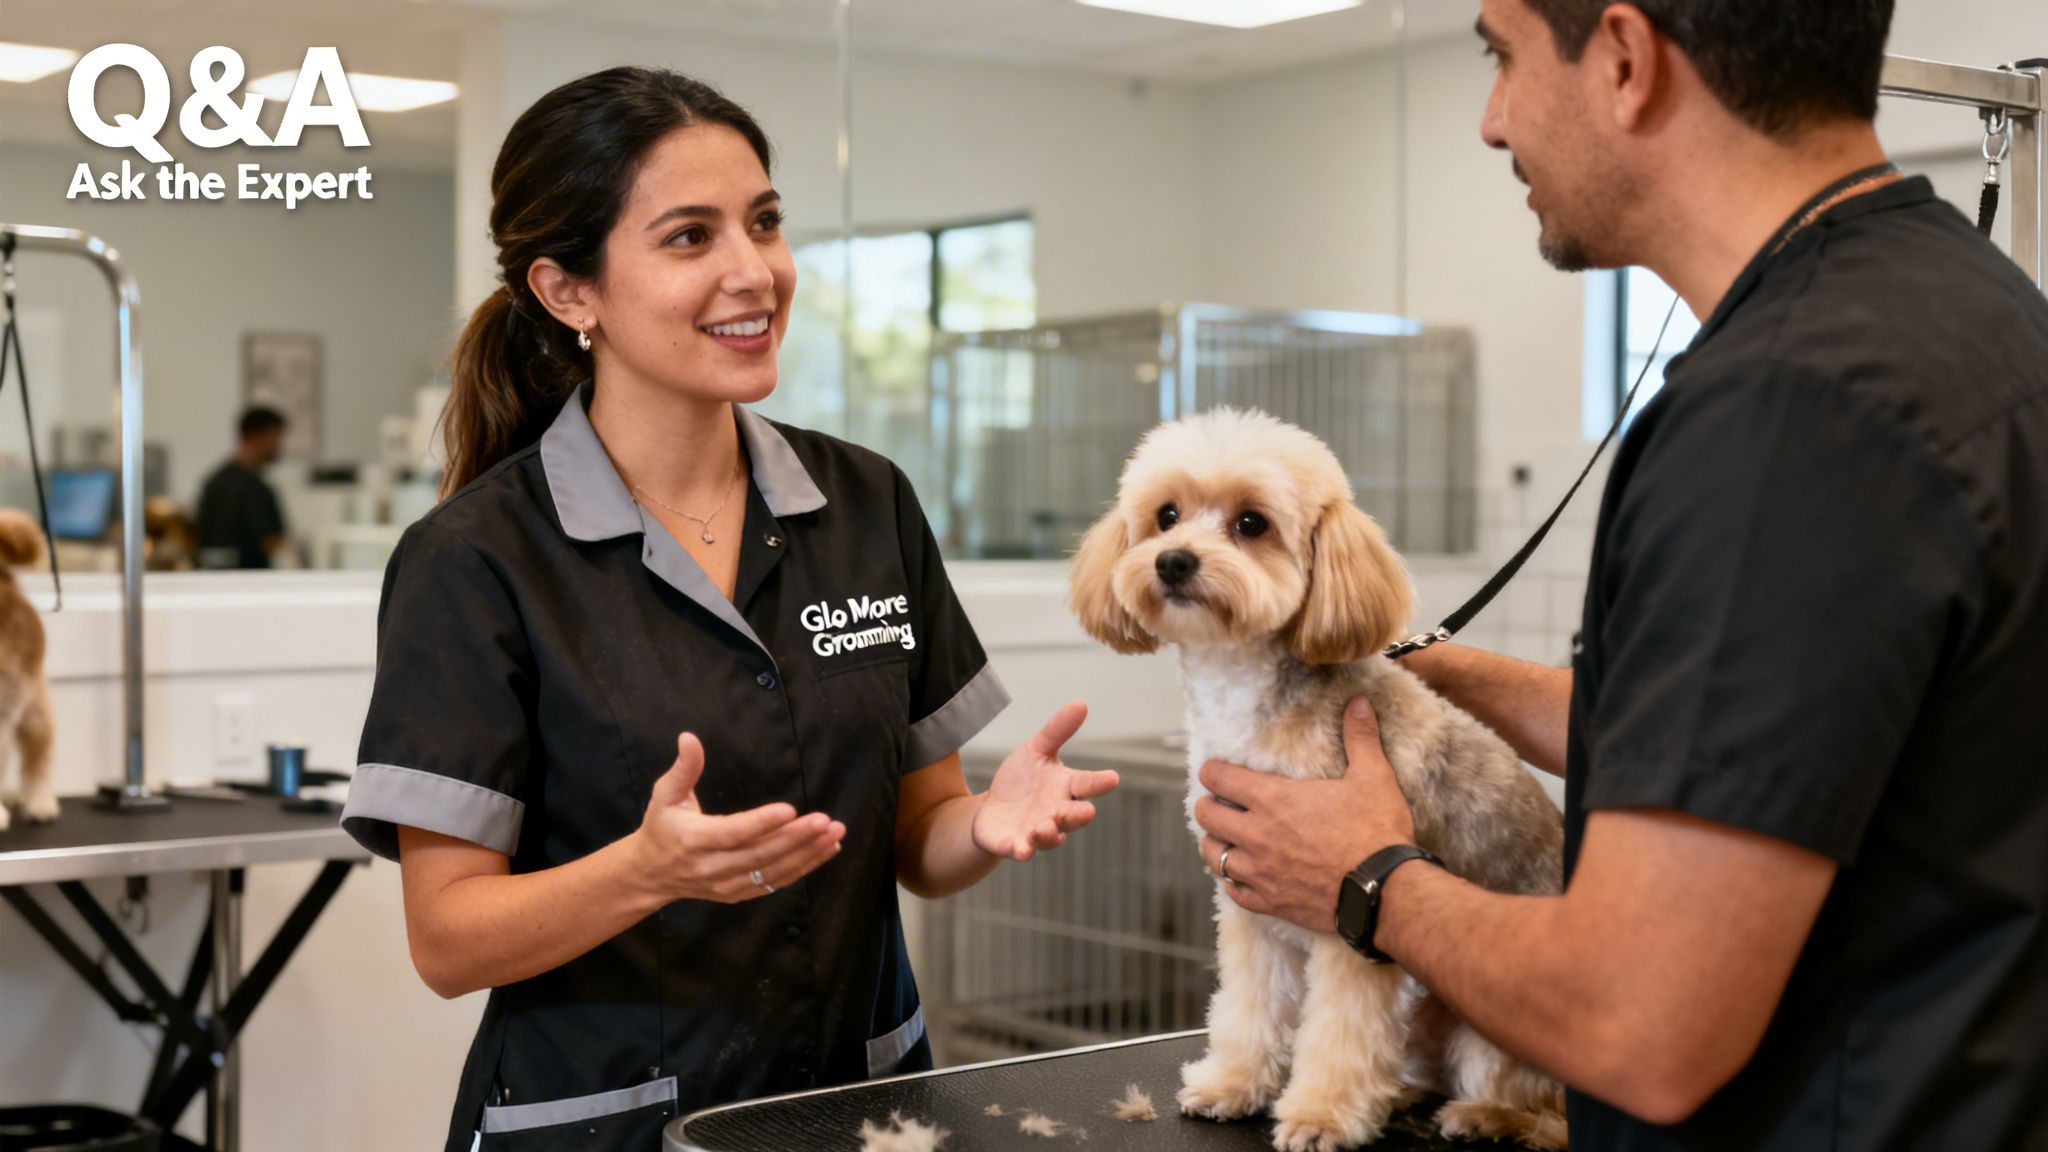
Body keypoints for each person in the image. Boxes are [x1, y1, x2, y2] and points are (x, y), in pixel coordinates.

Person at [1190, 1, 2048, 1149]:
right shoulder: (1979, 318)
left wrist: (1363, 881)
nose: (1491, 124)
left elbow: (1638, 1022)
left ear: (1625, 60)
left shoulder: (1785, 414)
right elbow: (1764, 745)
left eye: (1499, 58)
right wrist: (1431, 672)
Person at [337, 68, 1119, 1151]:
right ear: (569, 292)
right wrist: (643, 872)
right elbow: (448, 940)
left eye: (763, 223)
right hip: (604, 1124)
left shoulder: (865, 504)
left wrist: (981, 828)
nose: (754, 273)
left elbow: (918, 840)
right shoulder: (474, 561)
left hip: (859, 1111)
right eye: (689, 238)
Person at [193, 405, 288, 569]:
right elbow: (272, 541)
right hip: (249, 583)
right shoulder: (255, 487)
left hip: (210, 579)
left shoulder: (214, 480)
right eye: (276, 437)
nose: (280, 446)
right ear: (256, 436)